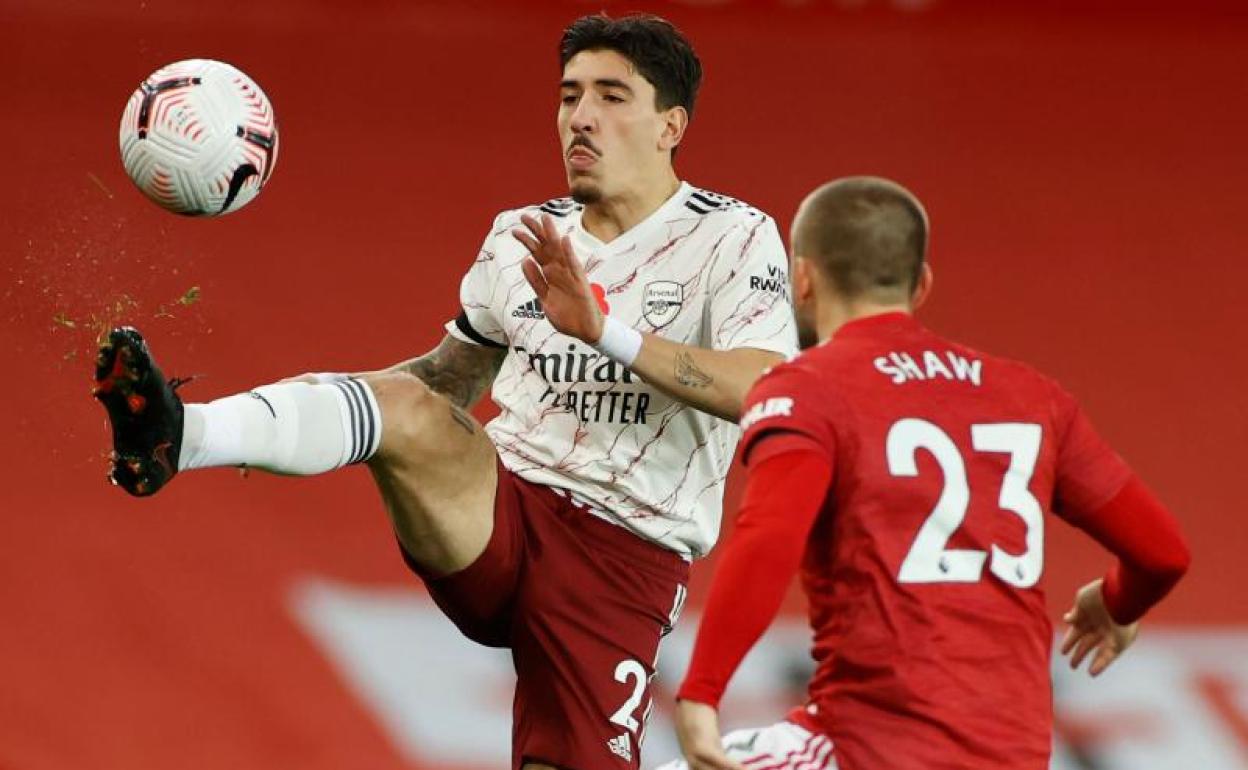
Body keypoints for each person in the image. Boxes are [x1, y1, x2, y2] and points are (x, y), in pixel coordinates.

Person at [92, 13, 798, 770]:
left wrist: (605, 332)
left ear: (670, 125)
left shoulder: (733, 236)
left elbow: (765, 387)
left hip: (625, 559)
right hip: (502, 512)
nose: (580, 116)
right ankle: (180, 436)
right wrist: (351, 401)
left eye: (611, 96)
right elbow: (451, 381)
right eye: (568, 96)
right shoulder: (521, 235)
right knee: (406, 408)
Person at [661, 177, 1191, 770]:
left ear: (803, 280)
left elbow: (769, 539)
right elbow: (1163, 553)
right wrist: (1118, 603)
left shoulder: (809, 388)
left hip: (869, 746)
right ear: (922, 285)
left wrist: (700, 694)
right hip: (1014, 756)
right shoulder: (1031, 397)